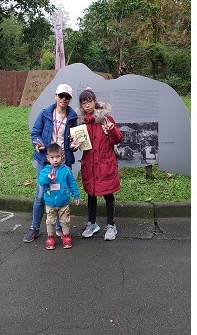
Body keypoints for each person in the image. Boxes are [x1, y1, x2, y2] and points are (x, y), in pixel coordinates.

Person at [23, 83, 81, 243]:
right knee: (40, 195)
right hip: (46, 160)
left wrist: (74, 146)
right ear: (55, 96)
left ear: (70, 99)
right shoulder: (45, 114)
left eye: (67, 96)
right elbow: (35, 132)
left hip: (63, 162)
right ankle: (34, 227)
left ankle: (59, 227)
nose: (64, 99)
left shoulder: (73, 118)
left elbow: (73, 140)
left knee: (60, 194)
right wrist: (38, 143)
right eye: (61, 95)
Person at [75, 87, 123, 241]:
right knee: (91, 194)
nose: (87, 105)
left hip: (105, 164)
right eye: (84, 103)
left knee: (108, 194)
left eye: (89, 101)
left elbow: (117, 139)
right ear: (81, 106)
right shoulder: (81, 123)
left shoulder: (105, 118)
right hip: (89, 164)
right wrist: (74, 145)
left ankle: (111, 225)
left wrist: (112, 129)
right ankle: (92, 223)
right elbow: (80, 145)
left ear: (94, 101)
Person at [38, 143, 81, 250]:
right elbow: (41, 182)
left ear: (62, 156)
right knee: (50, 221)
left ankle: (66, 236)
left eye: (57, 157)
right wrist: (47, 178)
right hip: (50, 202)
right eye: (52, 157)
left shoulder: (66, 170)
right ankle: (50, 237)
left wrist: (76, 195)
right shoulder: (45, 170)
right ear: (48, 158)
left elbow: (72, 183)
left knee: (65, 220)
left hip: (64, 201)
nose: (55, 160)